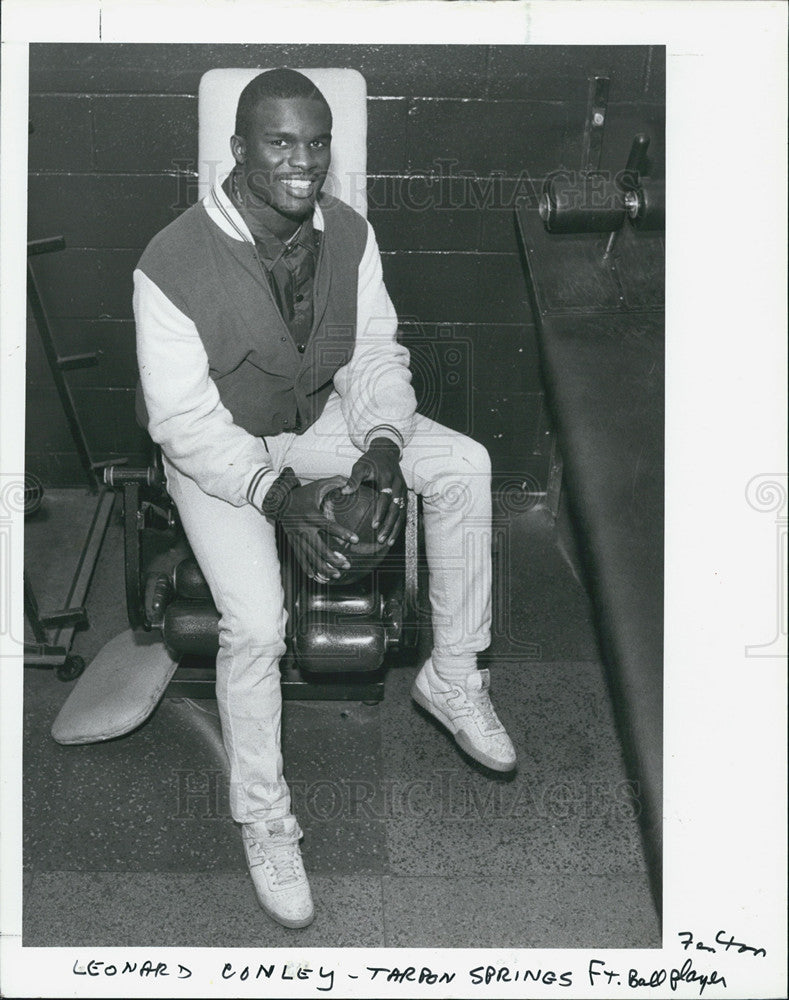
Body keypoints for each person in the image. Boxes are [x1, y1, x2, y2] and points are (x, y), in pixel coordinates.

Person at [134, 68, 516, 929]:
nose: (302, 162)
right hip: (222, 453)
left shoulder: (347, 231)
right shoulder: (169, 262)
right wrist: (282, 499)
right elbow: (182, 422)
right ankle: (266, 820)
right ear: (236, 150)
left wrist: (380, 443)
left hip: (319, 419)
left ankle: (454, 676)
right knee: (257, 629)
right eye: (279, 142)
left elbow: (374, 346)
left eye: (316, 143)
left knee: (462, 465)